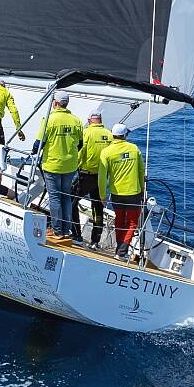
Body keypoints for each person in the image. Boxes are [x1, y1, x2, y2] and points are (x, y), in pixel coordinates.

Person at [35, 91, 83, 241]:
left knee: (55, 197)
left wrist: (34, 151)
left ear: (55, 103)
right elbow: (80, 144)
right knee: (66, 197)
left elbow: (39, 143)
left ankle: (57, 230)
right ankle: (66, 229)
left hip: (52, 164)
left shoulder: (49, 119)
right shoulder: (76, 120)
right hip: (70, 165)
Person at [97, 123, 145, 260]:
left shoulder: (106, 152)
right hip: (134, 193)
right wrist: (142, 189)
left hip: (116, 194)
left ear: (113, 135)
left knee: (119, 221)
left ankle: (119, 249)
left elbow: (102, 177)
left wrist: (102, 195)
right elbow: (141, 171)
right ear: (125, 135)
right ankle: (121, 252)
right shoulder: (134, 149)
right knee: (132, 223)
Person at [75, 108, 113, 247]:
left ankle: (76, 234)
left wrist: (74, 167)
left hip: (86, 175)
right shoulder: (109, 135)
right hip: (102, 178)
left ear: (89, 120)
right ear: (101, 120)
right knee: (98, 208)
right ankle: (95, 241)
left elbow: (80, 152)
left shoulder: (86, 132)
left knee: (71, 201)